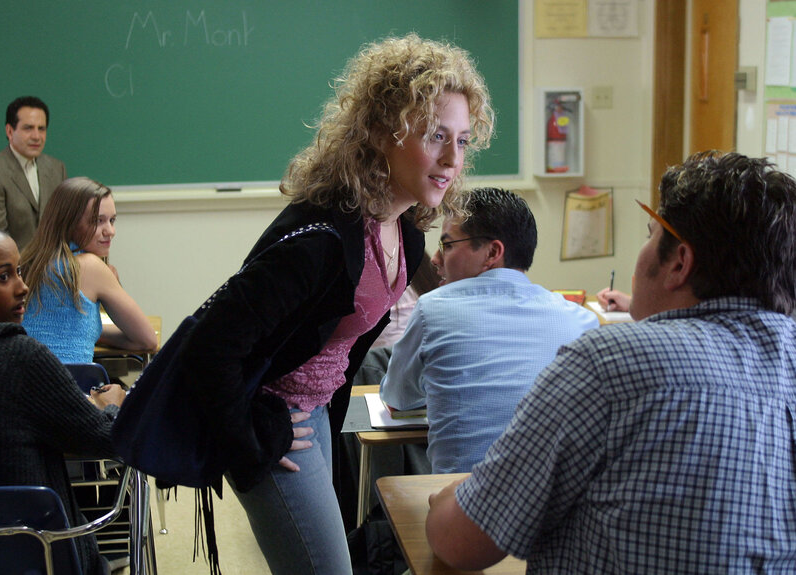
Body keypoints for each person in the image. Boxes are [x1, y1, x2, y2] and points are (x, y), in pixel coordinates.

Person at [179, 33, 494, 575]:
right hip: (276, 418)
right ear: (379, 132)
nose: (451, 159)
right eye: (435, 135)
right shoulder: (322, 238)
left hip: (317, 411)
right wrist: (248, 440)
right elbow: (207, 345)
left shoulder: (407, 233)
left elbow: (340, 348)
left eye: (463, 141)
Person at [426, 151, 796, 573]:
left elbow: (462, 543)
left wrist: (446, 499)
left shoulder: (608, 364)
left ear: (678, 263)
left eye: (650, 234)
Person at [0, 219, 126, 575]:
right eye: (4, 277)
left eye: (20, 272)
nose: (23, 287)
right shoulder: (20, 357)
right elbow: (108, 440)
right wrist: (111, 405)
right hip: (37, 557)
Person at [380, 188, 599, 474]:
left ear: (492, 253)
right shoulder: (581, 320)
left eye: (447, 245)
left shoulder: (432, 309)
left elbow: (398, 398)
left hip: (461, 501)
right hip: (553, 502)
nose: (435, 259)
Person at [21, 177, 156, 363]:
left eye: (112, 220)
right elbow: (147, 340)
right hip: (69, 387)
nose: (110, 231)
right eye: (98, 221)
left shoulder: (30, 260)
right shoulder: (89, 266)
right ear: (69, 222)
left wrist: (93, 332)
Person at [0, 96, 67, 250]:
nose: (36, 136)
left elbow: (65, 227)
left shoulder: (57, 169)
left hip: (54, 265)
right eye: (28, 128)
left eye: (41, 129)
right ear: (9, 131)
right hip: (15, 269)